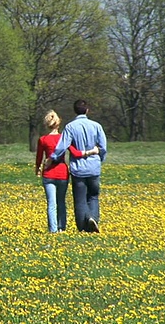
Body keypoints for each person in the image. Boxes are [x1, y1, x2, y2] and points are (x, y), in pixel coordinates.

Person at [46, 100, 107, 233]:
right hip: (94, 168)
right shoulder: (97, 126)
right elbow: (103, 147)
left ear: (75, 111)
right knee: (93, 196)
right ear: (87, 110)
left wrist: (53, 158)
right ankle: (93, 219)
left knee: (79, 199)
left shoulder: (70, 127)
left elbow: (62, 146)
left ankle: (83, 227)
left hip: (78, 169)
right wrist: (99, 160)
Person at [35, 110, 99, 233]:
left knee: (51, 204)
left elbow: (39, 157)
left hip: (48, 174)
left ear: (46, 124)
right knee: (61, 202)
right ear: (58, 124)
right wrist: (90, 152)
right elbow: (75, 153)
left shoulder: (43, 140)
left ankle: (52, 230)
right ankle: (61, 228)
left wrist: (38, 169)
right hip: (62, 173)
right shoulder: (64, 138)